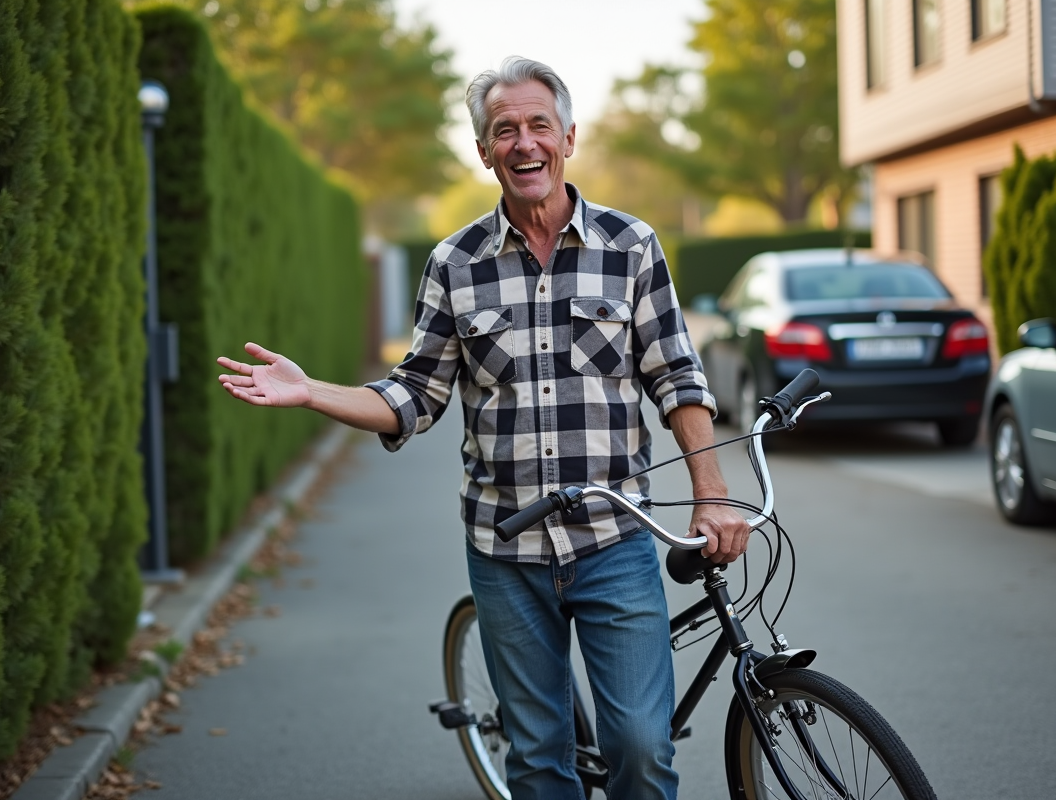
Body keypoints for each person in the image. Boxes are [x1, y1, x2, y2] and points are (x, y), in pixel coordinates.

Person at [217, 55, 750, 800]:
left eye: (538, 124)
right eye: (505, 130)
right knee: (536, 757)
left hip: (613, 541)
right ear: (483, 151)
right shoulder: (454, 263)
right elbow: (414, 395)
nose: (523, 142)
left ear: (568, 136)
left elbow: (676, 376)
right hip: (505, 550)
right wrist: (313, 393)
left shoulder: (631, 247)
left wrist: (712, 492)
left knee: (639, 747)